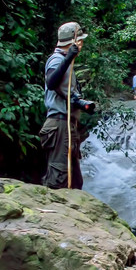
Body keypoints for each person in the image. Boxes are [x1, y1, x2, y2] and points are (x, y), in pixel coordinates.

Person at [39, 22, 94, 190]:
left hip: (67, 125)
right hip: (59, 124)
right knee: (59, 178)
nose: (82, 44)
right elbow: (51, 81)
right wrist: (69, 57)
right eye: (80, 41)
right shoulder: (57, 59)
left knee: (75, 181)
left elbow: (68, 94)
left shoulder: (65, 61)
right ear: (74, 42)